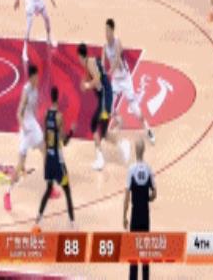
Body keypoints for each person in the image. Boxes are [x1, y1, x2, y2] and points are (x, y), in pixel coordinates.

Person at [4, 64, 60, 210]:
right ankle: (7, 194)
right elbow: (19, 112)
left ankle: (50, 188)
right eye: (36, 77)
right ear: (32, 77)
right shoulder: (27, 91)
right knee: (20, 164)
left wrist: (38, 125)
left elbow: (33, 112)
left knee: (46, 152)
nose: (38, 79)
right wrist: (23, 127)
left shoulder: (35, 90)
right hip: (26, 129)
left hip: (33, 126)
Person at [77, 42, 130, 171]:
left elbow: (97, 79)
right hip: (105, 97)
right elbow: (95, 78)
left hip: (105, 98)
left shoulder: (90, 63)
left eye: (78, 57)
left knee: (95, 126)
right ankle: (121, 145)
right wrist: (86, 83)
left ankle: (101, 159)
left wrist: (87, 85)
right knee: (103, 132)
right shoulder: (90, 63)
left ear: (80, 56)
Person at [102, 19, 155, 144]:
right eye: (105, 30)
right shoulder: (105, 47)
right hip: (115, 81)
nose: (106, 33)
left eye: (108, 30)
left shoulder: (117, 42)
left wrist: (109, 71)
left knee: (136, 110)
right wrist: (102, 71)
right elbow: (103, 62)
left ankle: (148, 129)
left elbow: (117, 60)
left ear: (112, 31)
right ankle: (117, 120)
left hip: (125, 81)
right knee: (108, 106)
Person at [34, 86, 75, 230]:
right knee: (67, 191)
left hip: (49, 158)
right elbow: (64, 141)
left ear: (51, 98)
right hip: (58, 159)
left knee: (48, 189)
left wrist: (45, 158)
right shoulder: (59, 116)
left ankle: (38, 218)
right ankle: (73, 223)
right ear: (58, 98)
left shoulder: (47, 114)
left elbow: (46, 137)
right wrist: (72, 131)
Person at [123, 138, 156, 280]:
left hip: (135, 215)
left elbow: (127, 196)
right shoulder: (149, 169)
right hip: (145, 216)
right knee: (145, 253)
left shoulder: (131, 170)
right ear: (144, 151)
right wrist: (146, 199)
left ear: (135, 151)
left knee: (133, 254)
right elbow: (154, 193)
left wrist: (124, 216)